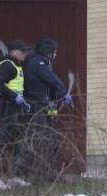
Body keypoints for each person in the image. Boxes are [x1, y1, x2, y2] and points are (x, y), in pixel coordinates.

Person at [23, 38, 72, 181]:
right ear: (47, 52)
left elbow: (48, 86)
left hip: (45, 104)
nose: (55, 55)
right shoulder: (37, 63)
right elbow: (52, 80)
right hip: (36, 105)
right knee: (43, 138)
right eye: (54, 52)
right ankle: (40, 173)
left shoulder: (40, 63)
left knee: (50, 136)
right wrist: (64, 93)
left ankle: (47, 172)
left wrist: (57, 99)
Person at [0, 40, 31, 189]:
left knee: (17, 142)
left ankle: (14, 176)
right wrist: (14, 97)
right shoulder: (7, 65)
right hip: (5, 109)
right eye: (23, 51)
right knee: (1, 143)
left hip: (15, 109)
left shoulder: (17, 66)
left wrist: (23, 101)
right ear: (13, 52)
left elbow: (16, 87)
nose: (25, 54)